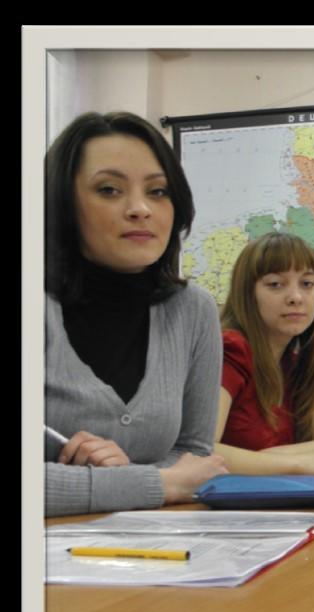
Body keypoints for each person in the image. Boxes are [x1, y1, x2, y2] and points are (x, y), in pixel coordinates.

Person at [44, 110, 227, 516]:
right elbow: (178, 478)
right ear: (61, 204)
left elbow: (194, 457)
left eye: (158, 191)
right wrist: (151, 483)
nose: (140, 209)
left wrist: (122, 479)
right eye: (109, 190)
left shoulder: (193, 310)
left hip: (153, 544)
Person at [215, 232, 314, 474]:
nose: (296, 298)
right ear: (247, 293)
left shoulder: (292, 362)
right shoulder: (231, 349)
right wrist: (297, 464)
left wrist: (260, 460)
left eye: (307, 284)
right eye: (275, 285)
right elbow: (200, 452)